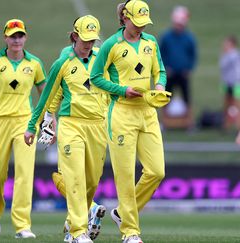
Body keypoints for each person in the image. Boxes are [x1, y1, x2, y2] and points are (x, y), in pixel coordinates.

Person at [25, 15, 107, 243]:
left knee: (92, 181)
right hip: (71, 124)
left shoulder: (102, 58)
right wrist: (35, 125)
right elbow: (48, 97)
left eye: (92, 40)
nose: (89, 45)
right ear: (74, 36)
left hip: (98, 125)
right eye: (85, 40)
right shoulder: (62, 62)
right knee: (75, 179)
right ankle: (79, 231)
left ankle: (73, 224)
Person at [89, 1, 167, 242]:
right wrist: (122, 90)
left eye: (145, 23)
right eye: (137, 22)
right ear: (125, 18)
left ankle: (122, 213)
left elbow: (160, 70)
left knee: (157, 171)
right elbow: (95, 77)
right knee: (124, 175)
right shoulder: (112, 44)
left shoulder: (151, 42)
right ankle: (130, 232)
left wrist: (159, 87)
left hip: (148, 112)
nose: (141, 27)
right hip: (121, 113)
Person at [0, 19, 46, 239]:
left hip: (25, 122)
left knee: (25, 173)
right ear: (5, 38)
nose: (17, 40)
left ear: (25, 38)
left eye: (20, 36)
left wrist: (44, 120)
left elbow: (44, 94)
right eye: (13, 36)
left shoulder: (34, 63)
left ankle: (22, 225)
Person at [159, 5, 197, 129]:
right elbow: (160, 54)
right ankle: (164, 122)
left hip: (183, 73)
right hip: (170, 72)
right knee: (165, 98)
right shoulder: (166, 37)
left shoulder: (189, 38)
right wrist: (165, 68)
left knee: (187, 98)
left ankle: (189, 123)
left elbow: (193, 55)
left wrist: (189, 68)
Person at [219, 36, 240, 130]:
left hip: (236, 84)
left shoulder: (234, 55)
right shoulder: (225, 55)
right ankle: (226, 125)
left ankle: (237, 125)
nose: (225, 45)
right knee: (226, 104)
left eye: (227, 43)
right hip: (226, 83)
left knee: (236, 105)